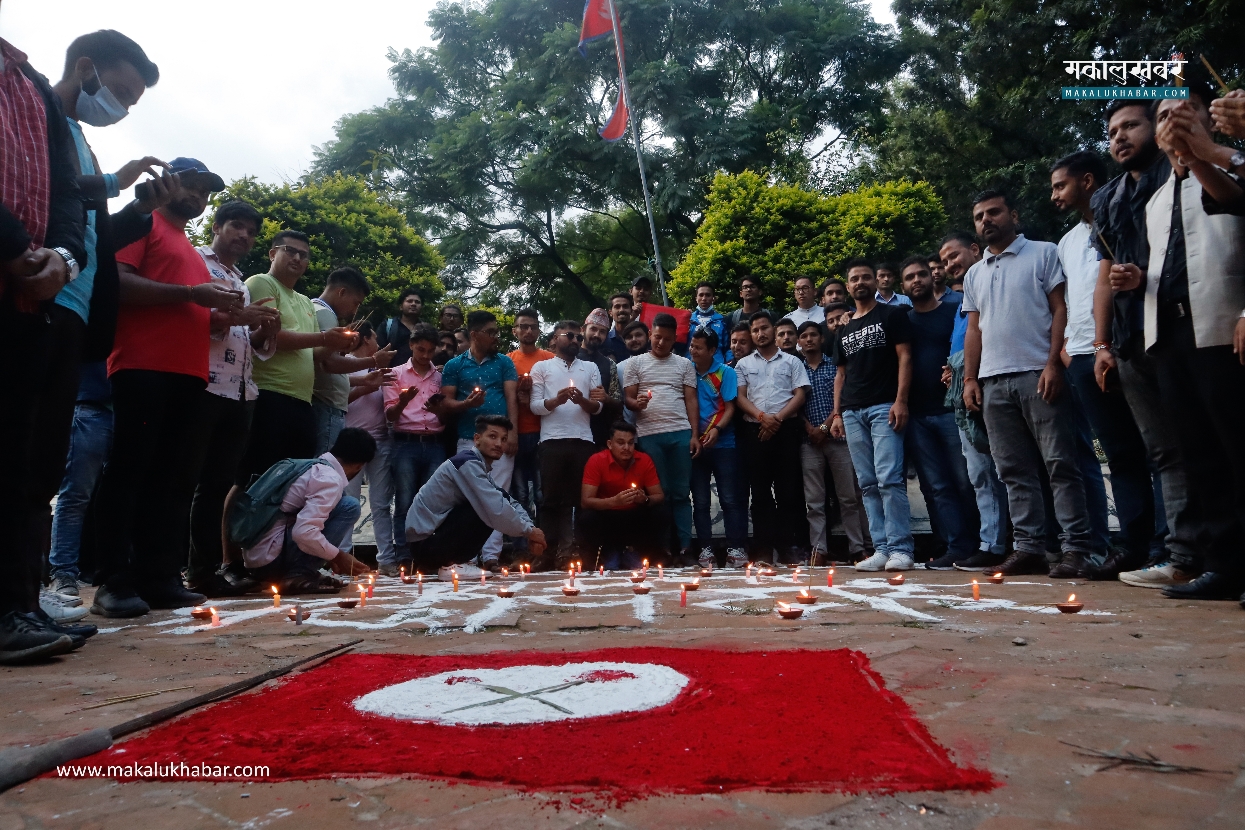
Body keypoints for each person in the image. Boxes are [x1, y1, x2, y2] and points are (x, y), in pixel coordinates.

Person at [42, 30, 169, 617]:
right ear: (87, 67)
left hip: (80, 313)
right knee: (34, 455)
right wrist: (116, 183)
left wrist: (137, 208)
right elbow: (49, 196)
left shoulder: (83, 141)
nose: (119, 110)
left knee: (41, 458)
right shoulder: (41, 115)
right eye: (118, 91)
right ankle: (37, 589)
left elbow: (94, 240)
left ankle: (29, 595)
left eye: (131, 104)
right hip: (40, 296)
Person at [91, 159, 241, 617]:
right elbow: (116, 283)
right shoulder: (142, 225)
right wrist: (192, 295)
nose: (197, 197)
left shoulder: (190, 250)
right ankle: (112, 581)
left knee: (173, 482)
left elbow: (190, 311)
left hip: (190, 374)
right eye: (191, 186)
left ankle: (159, 577)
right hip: (142, 366)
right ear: (167, 181)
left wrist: (226, 316)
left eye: (204, 192)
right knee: (130, 472)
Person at [1116, 91, 1245, 602]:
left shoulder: (1229, 177)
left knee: (1237, 448)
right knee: (1198, 456)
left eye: (1179, 113)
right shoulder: (1153, 199)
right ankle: (1224, 565)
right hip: (1168, 336)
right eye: (1164, 115)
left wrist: (1204, 157)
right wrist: (1136, 279)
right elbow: (1172, 265)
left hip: (1222, 327)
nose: (1172, 122)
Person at [1, 33, 95, 658]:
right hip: (17, 272)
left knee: (23, 461)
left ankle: (16, 607)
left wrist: (62, 255)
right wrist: (12, 245)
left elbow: (65, 193)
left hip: (31, 298)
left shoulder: (29, 85)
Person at [1091, 99, 1199, 589]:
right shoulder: (1108, 198)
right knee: (1163, 453)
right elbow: (1104, 275)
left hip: (1185, 328)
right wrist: (1101, 343)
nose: (1119, 137)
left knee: (1202, 443)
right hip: (1131, 337)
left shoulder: (1181, 174)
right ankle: (1179, 554)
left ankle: (1210, 552)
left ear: (1157, 129)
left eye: (1131, 125)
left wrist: (1147, 277)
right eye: (1112, 130)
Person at [962, 190, 1095, 579]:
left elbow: (1060, 309)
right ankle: (1029, 548)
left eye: (994, 212)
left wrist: (1054, 364)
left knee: (1060, 464)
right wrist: (970, 378)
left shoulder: (1044, 252)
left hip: (1039, 374)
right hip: (992, 382)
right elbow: (974, 329)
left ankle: (1076, 548)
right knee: (1013, 471)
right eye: (979, 216)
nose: (987, 220)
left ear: (1013, 215)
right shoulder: (974, 273)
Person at [1051, 150, 1158, 578]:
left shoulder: (1134, 215)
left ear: (1088, 181)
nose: (1055, 194)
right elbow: (1068, 299)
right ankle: (1134, 547)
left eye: (1061, 185)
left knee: (1160, 448)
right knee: (1119, 452)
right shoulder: (1068, 241)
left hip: (1131, 344)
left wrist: (1104, 342)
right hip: (1081, 356)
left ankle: (1171, 546)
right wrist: (1065, 350)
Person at [183, 201, 280, 598]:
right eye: (236, 227)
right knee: (186, 480)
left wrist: (263, 327)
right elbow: (189, 320)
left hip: (240, 391)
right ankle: (177, 570)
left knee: (218, 485)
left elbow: (248, 344)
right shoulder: (195, 264)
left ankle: (206, 573)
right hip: (203, 384)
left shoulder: (239, 280)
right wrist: (240, 318)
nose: (244, 236)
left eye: (251, 232)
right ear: (217, 227)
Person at [238, 231, 356, 490]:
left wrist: (336, 345)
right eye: (289, 251)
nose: (297, 258)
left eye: (303, 255)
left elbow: (314, 354)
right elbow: (271, 337)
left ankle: (278, 532)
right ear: (272, 253)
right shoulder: (262, 282)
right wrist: (325, 338)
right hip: (268, 394)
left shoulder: (304, 301)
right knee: (257, 477)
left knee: (291, 483)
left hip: (303, 402)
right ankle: (237, 531)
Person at [829, 262, 915, 572]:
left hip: (884, 406)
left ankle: (901, 549)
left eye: (866, 276)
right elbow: (840, 374)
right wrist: (837, 413)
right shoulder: (843, 327)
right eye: (855, 279)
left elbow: (905, 356)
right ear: (848, 288)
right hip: (852, 412)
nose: (861, 282)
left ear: (876, 281)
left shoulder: (892, 315)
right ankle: (880, 549)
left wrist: (900, 400)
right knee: (866, 483)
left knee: (890, 479)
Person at [900, 256, 979, 569]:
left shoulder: (954, 311)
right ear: (902, 286)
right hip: (917, 414)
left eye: (921, 274)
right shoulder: (902, 320)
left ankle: (981, 544)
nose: (917, 280)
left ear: (933, 277)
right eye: (910, 277)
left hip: (952, 409)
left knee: (965, 480)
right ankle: (953, 546)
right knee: (936, 487)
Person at [938, 231, 1010, 571]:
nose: (950, 264)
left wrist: (970, 374)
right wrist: (955, 370)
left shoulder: (992, 281)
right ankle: (992, 543)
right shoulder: (965, 295)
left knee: (1013, 467)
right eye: (945, 260)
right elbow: (964, 341)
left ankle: (1028, 542)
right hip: (964, 387)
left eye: (954, 255)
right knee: (980, 472)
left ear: (975, 249)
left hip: (995, 380)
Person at [405, 415, 547, 580]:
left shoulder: (479, 467)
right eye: (492, 436)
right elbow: (496, 508)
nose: (499, 444)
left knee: (493, 500)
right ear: (477, 439)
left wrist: (530, 529)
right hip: (426, 545)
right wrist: (529, 532)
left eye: (503, 439)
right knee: (487, 507)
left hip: (432, 542)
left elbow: (507, 500)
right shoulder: (467, 463)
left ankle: (455, 563)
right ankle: (451, 564)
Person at [242, 428, 374, 593]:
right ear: (359, 466)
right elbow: (303, 532)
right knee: (349, 506)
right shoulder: (329, 479)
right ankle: (299, 574)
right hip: (269, 560)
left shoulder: (313, 466)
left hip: (256, 558)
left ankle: (306, 570)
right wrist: (337, 556)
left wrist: (326, 554)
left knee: (342, 502)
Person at [440, 310, 520, 568]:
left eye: (497, 332)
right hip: (468, 439)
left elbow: (511, 398)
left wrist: (513, 434)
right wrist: (466, 404)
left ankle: (491, 556)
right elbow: (446, 403)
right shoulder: (455, 365)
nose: (496, 337)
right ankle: (467, 555)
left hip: (500, 442)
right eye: (491, 332)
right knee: (468, 497)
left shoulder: (504, 362)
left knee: (498, 496)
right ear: (475, 334)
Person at [623, 313, 699, 563]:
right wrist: (638, 403)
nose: (660, 343)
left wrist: (695, 434)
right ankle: (663, 548)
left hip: (680, 433)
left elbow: (690, 400)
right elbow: (629, 399)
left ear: (674, 339)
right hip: (648, 435)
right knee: (659, 494)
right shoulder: (635, 364)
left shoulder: (684, 364)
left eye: (666, 339)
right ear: (650, 334)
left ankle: (686, 547)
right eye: (656, 337)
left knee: (681, 492)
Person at [735, 311, 809, 564]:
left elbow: (800, 395)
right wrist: (762, 417)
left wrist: (776, 419)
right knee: (760, 492)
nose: (760, 333)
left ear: (773, 330)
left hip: (786, 430)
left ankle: (787, 547)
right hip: (754, 431)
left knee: (788, 491)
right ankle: (763, 549)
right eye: (755, 330)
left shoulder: (791, 361)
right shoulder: (743, 364)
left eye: (764, 328)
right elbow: (741, 397)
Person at [797, 321, 872, 566]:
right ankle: (819, 550)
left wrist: (825, 426)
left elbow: (842, 397)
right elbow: (793, 401)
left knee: (848, 497)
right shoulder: (796, 369)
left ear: (822, 339)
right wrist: (809, 427)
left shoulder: (835, 365)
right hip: (808, 441)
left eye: (813, 335)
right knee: (814, 500)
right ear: (799, 342)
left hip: (838, 436)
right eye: (804, 336)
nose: (809, 340)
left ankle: (858, 548)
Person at [531, 320, 604, 568]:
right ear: (554, 339)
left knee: (577, 500)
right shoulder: (541, 367)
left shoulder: (590, 367)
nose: (574, 340)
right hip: (551, 440)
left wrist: (581, 400)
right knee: (550, 499)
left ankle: (573, 553)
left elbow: (598, 407)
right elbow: (535, 406)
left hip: (583, 441)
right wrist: (557, 400)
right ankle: (546, 553)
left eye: (577, 337)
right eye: (569, 336)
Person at [383, 323, 446, 570]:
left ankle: (427, 554)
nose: (425, 356)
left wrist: (439, 411)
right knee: (405, 501)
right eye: (421, 349)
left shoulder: (440, 376)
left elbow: (445, 416)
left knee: (432, 501)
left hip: (435, 443)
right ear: (411, 345)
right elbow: (390, 415)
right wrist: (403, 402)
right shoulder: (395, 374)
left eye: (430, 351)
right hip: (405, 442)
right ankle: (404, 555)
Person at [312, 267, 391, 454]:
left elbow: (324, 363)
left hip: (329, 407)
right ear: (341, 292)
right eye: (356, 303)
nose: (355, 310)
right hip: (325, 407)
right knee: (322, 470)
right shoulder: (324, 313)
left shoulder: (319, 311)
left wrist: (361, 380)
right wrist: (373, 361)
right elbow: (329, 364)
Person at [688, 329, 748, 569]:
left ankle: (736, 549)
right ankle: (705, 550)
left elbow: (731, 407)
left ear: (712, 351)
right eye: (691, 346)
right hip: (696, 445)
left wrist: (718, 430)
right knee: (700, 502)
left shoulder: (726, 372)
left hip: (724, 445)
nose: (693, 351)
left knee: (730, 499)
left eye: (698, 347)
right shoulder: (686, 371)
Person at [343, 322, 398, 574]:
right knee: (347, 503)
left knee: (381, 504)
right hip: (350, 443)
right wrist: (368, 384)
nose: (377, 342)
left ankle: (386, 560)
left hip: (381, 442)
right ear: (365, 339)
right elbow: (338, 398)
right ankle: (342, 559)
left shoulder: (381, 368)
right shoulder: (343, 363)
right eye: (374, 337)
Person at [578, 421, 670, 569]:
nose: (626, 448)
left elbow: (659, 495)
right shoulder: (596, 460)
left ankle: (646, 554)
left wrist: (645, 499)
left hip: (634, 515)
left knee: (661, 512)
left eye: (630, 443)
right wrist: (614, 501)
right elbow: (586, 501)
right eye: (620, 443)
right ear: (609, 444)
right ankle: (605, 554)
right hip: (607, 515)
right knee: (587, 517)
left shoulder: (644, 459)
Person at [508, 308, 554, 530]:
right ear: (514, 330)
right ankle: (521, 545)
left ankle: (544, 542)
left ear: (538, 331)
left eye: (533, 327)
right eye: (523, 326)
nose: (528, 330)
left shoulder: (549, 359)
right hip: (516, 433)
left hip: (542, 433)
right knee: (519, 493)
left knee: (542, 491)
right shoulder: (507, 361)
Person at [579, 307, 624, 445]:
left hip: (600, 433)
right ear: (583, 330)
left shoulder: (609, 364)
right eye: (593, 329)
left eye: (602, 331)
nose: (597, 335)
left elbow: (618, 403)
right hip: (571, 432)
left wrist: (606, 399)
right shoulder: (569, 358)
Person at [376, 288, 423, 367]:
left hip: (418, 376)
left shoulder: (425, 329)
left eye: (417, 302)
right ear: (401, 306)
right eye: (409, 301)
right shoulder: (387, 326)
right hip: (391, 375)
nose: (413, 304)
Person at [689, 281, 730, 362]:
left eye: (708, 295)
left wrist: (729, 361)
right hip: (692, 367)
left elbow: (728, 347)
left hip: (716, 368)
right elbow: (680, 346)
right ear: (696, 298)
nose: (704, 298)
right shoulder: (689, 320)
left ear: (713, 298)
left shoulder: (722, 320)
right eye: (701, 295)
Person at [605, 292, 634, 362]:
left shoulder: (641, 339)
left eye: (625, 306)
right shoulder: (605, 341)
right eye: (617, 307)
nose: (621, 310)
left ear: (631, 311)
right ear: (610, 313)